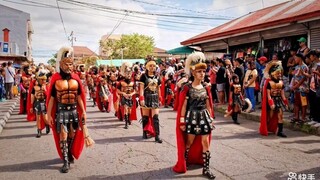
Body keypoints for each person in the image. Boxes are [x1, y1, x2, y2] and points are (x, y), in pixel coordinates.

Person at [47, 47, 94, 173]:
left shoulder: (75, 79)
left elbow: (79, 97)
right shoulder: (55, 79)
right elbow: (51, 98)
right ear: (61, 64)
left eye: (71, 64)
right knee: (63, 134)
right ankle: (66, 161)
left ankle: (68, 151)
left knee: (72, 134)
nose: (69, 66)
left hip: (73, 111)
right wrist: (48, 114)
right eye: (66, 64)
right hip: (61, 111)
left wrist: (83, 111)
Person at [173, 52, 215, 179]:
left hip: (204, 118)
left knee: (205, 142)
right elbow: (183, 106)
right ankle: (184, 163)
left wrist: (211, 118)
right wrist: (181, 122)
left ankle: (206, 169)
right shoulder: (186, 88)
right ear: (193, 72)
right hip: (191, 117)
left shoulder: (206, 87)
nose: (202, 73)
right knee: (189, 142)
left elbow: (208, 104)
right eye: (199, 71)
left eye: (203, 71)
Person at [260, 61, 289, 137]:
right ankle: (267, 126)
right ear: (273, 73)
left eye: (280, 73)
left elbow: (283, 95)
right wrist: (271, 103)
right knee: (270, 116)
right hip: (271, 101)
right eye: (278, 73)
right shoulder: (269, 83)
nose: (279, 75)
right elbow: (268, 95)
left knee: (280, 115)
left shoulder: (281, 83)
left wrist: (285, 103)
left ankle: (280, 131)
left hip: (279, 100)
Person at [139, 59, 163, 143]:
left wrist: (160, 98)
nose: (152, 67)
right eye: (150, 66)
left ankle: (157, 136)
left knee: (155, 117)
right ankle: (145, 132)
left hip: (155, 97)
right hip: (146, 97)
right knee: (145, 117)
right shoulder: (143, 76)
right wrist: (141, 98)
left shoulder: (157, 77)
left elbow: (158, 89)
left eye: (154, 66)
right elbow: (141, 89)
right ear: (147, 67)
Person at [117, 62, 137, 129]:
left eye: (130, 73)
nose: (129, 75)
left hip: (130, 98)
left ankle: (128, 119)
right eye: (127, 73)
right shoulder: (121, 82)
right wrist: (123, 93)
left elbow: (135, 90)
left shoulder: (133, 82)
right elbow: (117, 91)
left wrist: (132, 93)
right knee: (125, 109)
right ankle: (126, 123)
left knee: (129, 110)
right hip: (124, 98)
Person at [30, 71, 48, 138]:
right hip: (37, 103)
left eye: (44, 79)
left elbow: (49, 97)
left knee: (45, 118)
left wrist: (45, 90)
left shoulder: (47, 86)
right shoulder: (34, 88)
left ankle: (47, 125)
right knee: (38, 118)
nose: (43, 81)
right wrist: (31, 106)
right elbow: (32, 97)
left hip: (44, 103)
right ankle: (39, 131)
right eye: (42, 79)